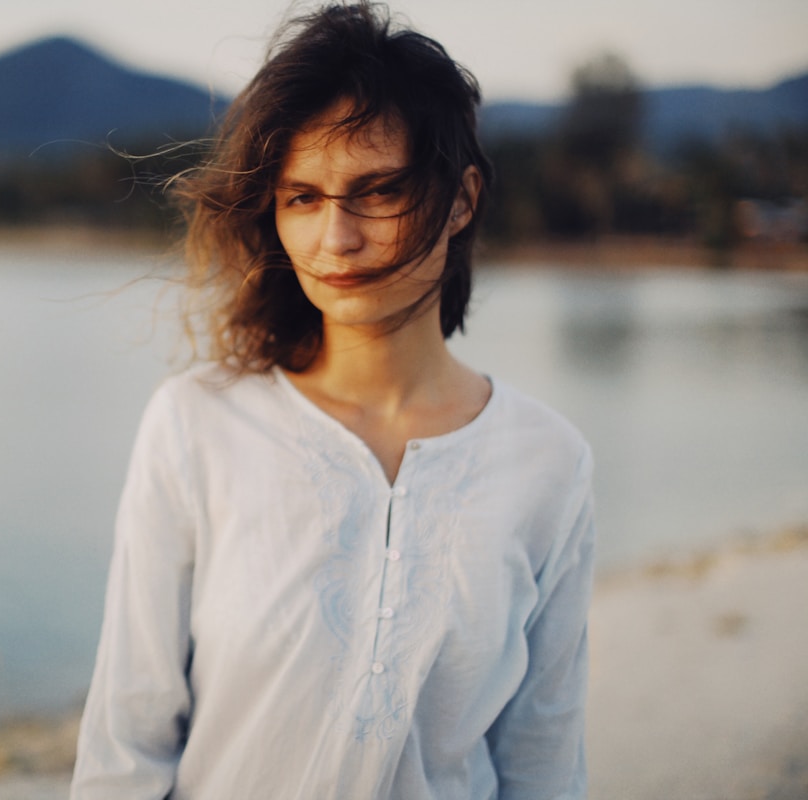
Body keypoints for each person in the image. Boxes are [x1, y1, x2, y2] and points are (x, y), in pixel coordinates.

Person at [70, 3, 595, 798]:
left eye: (376, 191)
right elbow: (127, 741)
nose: (335, 239)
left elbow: (544, 762)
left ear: (460, 199)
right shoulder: (197, 425)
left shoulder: (547, 463)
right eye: (302, 198)